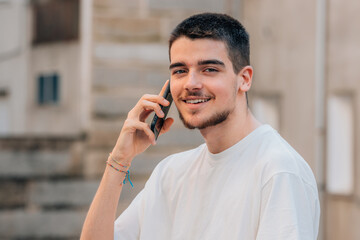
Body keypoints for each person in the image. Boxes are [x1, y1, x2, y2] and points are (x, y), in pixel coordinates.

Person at [81, 13, 320, 240]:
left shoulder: (278, 171)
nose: (191, 83)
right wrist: (120, 160)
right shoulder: (170, 174)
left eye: (209, 69)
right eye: (180, 71)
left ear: (244, 79)